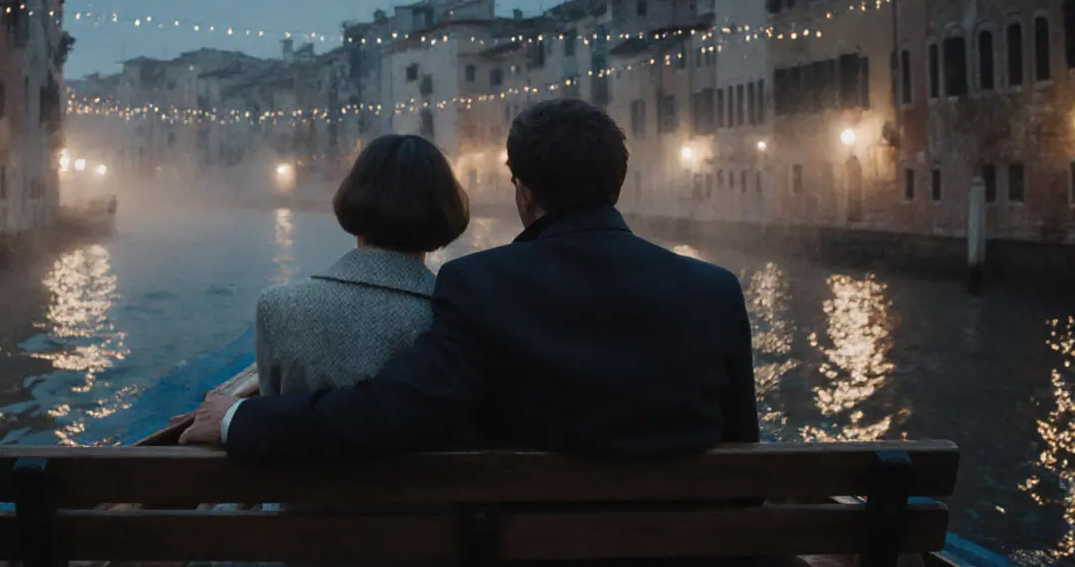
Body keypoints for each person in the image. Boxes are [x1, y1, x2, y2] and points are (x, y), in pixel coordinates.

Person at [182, 98, 758, 459]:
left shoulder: (485, 285)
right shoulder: (714, 290)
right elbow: (743, 449)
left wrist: (237, 417)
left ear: (523, 191)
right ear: (619, 182)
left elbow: (388, 414)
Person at [240, 134, 470, 398]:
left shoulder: (277, 307)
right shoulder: (450, 318)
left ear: (354, 197)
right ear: (445, 212)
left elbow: (270, 413)